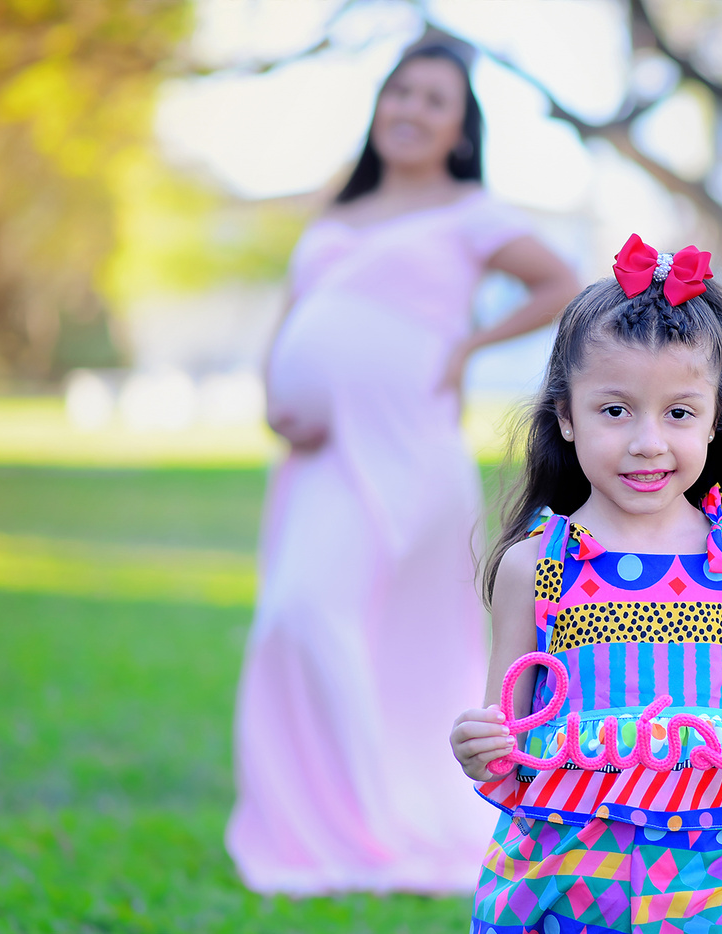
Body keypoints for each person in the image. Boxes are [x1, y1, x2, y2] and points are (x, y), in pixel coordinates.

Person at [227, 41, 579, 895]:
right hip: (319, 457)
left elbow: (559, 284)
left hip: (407, 449)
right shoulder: (336, 213)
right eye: (401, 92)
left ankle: (387, 819)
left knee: (391, 635)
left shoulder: (470, 211)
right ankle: (330, 817)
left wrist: (466, 346)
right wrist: (276, 389)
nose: (411, 110)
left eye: (434, 100)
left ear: (461, 129)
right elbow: (296, 315)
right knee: (298, 615)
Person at [450, 234, 722, 931]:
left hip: (705, 875)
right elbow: (504, 742)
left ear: (713, 423)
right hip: (565, 874)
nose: (648, 442)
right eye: (615, 410)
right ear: (566, 416)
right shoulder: (536, 565)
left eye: (679, 413)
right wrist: (477, 747)